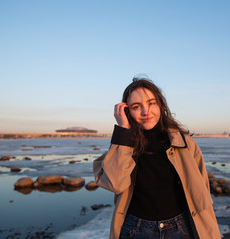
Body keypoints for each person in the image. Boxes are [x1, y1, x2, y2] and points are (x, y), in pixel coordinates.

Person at [93, 77, 220, 239]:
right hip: (136, 229)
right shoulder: (124, 146)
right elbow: (115, 184)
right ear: (127, 111)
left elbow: (202, 188)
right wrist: (123, 132)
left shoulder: (184, 144)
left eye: (151, 103)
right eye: (136, 107)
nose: (146, 112)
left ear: (160, 105)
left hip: (180, 228)